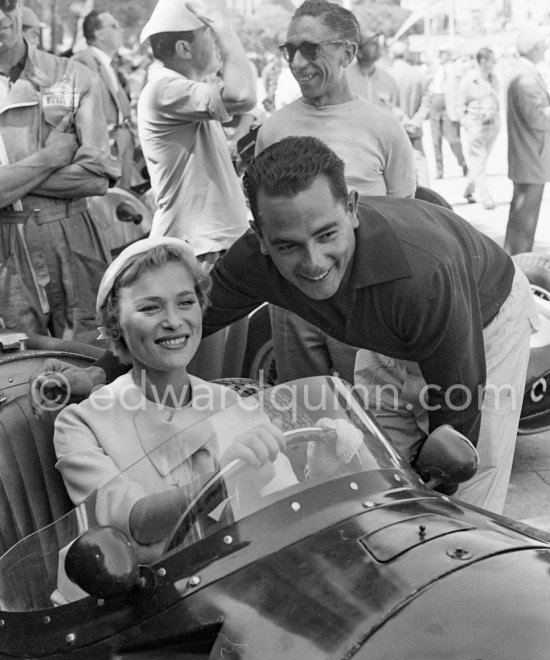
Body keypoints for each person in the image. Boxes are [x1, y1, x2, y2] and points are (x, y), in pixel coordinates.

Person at [37, 137, 539, 514]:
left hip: (480, 319)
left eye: (327, 234)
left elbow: (459, 411)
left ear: (353, 209)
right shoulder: (251, 263)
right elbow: (180, 320)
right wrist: (102, 373)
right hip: (390, 329)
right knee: (379, 473)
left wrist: (442, 476)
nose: (314, 262)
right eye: (288, 246)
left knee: (465, 493)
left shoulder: (424, 275)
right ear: (259, 237)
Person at [53, 236, 355, 564]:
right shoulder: (82, 423)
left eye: (185, 302)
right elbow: (130, 523)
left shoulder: (236, 404)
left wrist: (322, 473)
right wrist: (221, 480)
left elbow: (282, 515)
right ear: (115, 324)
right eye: (150, 307)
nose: (173, 320)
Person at [255, 0, 415, 384]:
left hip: (364, 305)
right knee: (302, 407)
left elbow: (404, 227)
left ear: (347, 52)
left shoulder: (384, 128)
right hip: (292, 303)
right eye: (289, 50)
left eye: (310, 49)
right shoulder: (273, 131)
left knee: (371, 413)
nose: (296, 63)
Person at [0, 0, 120, 341]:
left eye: (6, 3)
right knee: (18, 368)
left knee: (93, 356)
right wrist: (52, 157)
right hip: (6, 255)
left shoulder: (74, 77)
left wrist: (12, 178)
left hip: (74, 237)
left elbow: (97, 178)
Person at [137, 0, 255, 262]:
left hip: (210, 243)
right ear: (184, 48)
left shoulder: (178, 89)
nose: (215, 40)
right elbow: (244, 95)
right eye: (208, 33)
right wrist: (224, 26)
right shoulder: (165, 90)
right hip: (201, 249)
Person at [73, 11, 135, 190]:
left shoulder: (109, 64)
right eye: (114, 26)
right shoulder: (83, 61)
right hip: (104, 148)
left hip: (121, 144)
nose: (120, 30)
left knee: (122, 206)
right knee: (107, 209)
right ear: (99, 34)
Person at [504, 29, 550, 256]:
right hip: (531, 156)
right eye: (543, 45)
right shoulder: (526, 77)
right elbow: (537, 118)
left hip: (529, 155)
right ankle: (518, 273)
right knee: (524, 224)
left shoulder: (523, 73)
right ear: (535, 48)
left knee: (522, 221)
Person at [459, 47, 500, 209]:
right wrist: (465, 121)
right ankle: (486, 196)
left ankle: (469, 189)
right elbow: (460, 104)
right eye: (492, 61)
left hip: (492, 125)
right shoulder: (469, 80)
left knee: (480, 162)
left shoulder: (494, 78)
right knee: (479, 162)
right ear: (483, 61)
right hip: (476, 125)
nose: (494, 64)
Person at [388, 40, 431, 187]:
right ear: (406, 55)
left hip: (395, 132)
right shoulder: (419, 75)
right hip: (415, 131)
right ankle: (428, 201)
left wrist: (404, 121)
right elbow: (427, 101)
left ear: (391, 55)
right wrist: (416, 121)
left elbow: (389, 104)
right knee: (421, 170)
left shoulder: (387, 76)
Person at [428, 45, 468, 180]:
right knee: (435, 141)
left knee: (453, 140)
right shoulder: (434, 68)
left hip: (449, 105)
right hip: (435, 104)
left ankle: (462, 161)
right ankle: (439, 170)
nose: (442, 56)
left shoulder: (457, 69)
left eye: (444, 53)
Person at [346, 30, 398, 110]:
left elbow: (394, 113)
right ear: (358, 52)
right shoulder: (344, 79)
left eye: (377, 42)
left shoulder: (388, 80)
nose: (377, 45)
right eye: (372, 43)